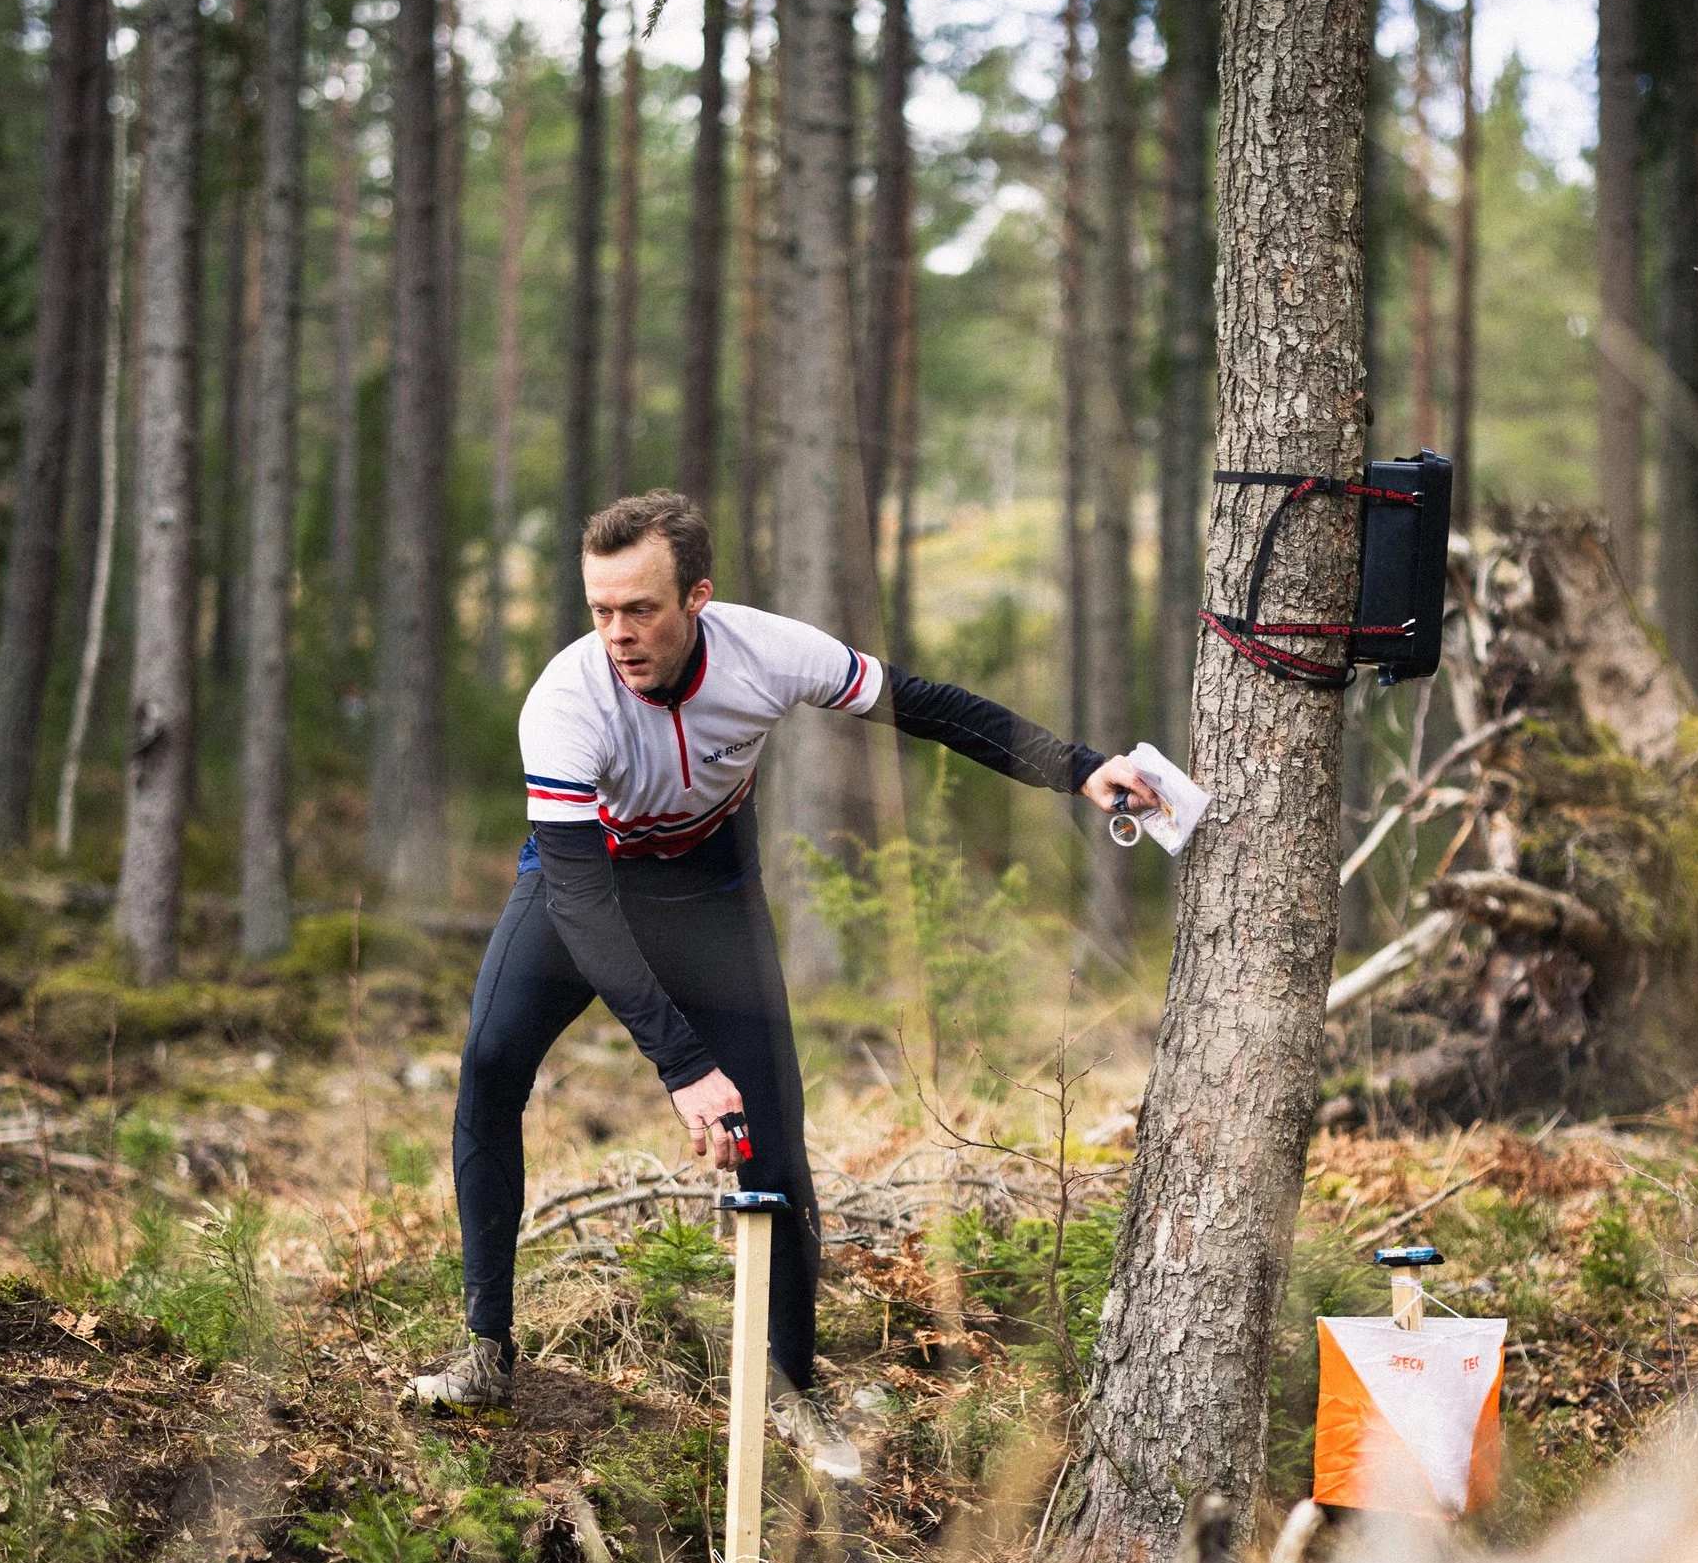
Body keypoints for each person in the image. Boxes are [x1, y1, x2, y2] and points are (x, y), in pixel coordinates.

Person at [407, 491, 1155, 1478]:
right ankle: (486, 1347)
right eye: (599, 610)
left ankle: (793, 1386)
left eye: (641, 608)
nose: (618, 634)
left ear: (698, 597)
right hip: (584, 887)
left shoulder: (767, 650)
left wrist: (1080, 767)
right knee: (490, 1065)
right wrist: (680, 1064)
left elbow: (924, 705)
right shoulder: (564, 700)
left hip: (711, 888)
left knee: (774, 1131)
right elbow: (585, 907)